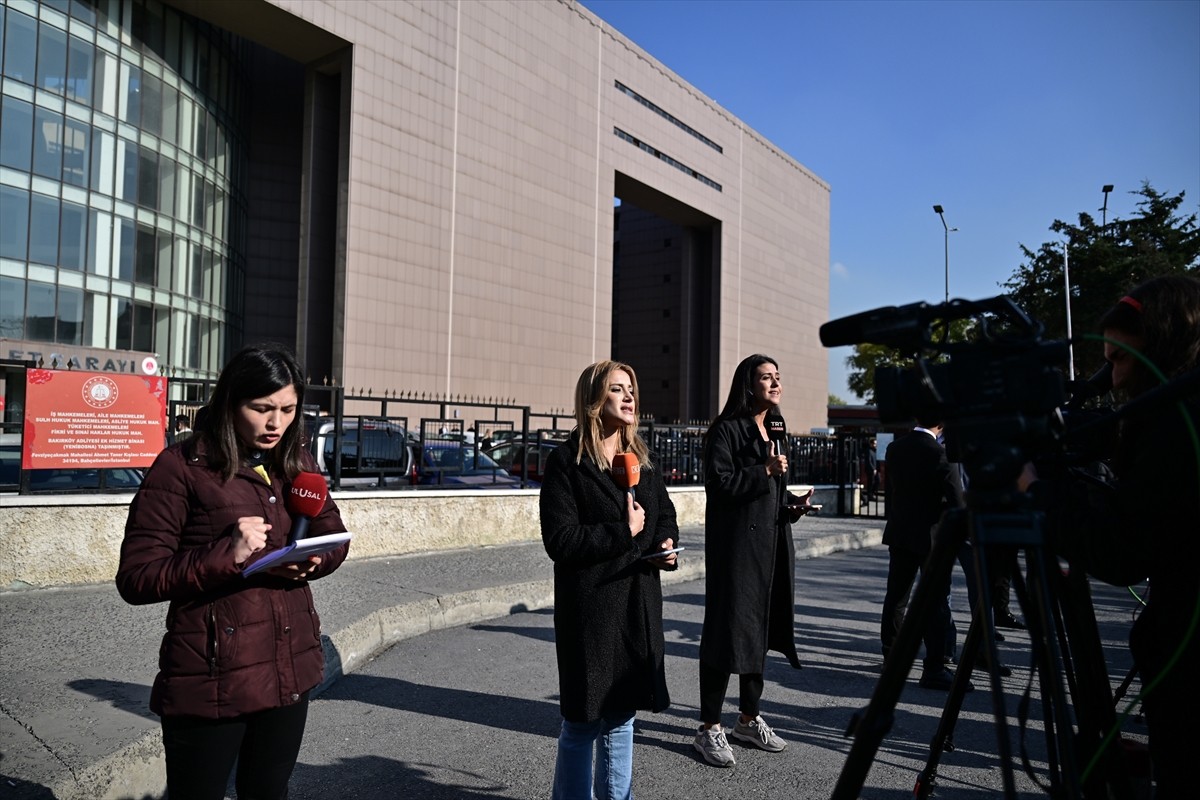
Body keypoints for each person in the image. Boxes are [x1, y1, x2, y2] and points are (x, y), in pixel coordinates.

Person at [116, 345, 350, 800]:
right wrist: (228, 553)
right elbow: (137, 577)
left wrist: (314, 561)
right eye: (261, 408)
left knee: (268, 791)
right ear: (230, 402)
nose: (275, 423)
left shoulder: (295, 460)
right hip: (211, 677)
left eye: (287, 409)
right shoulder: (182, 467)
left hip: (289, 668)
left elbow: (332, 533)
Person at [1020, 275, 1200, 798]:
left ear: (1162, 347)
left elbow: (1120, 554)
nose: (1113, 379)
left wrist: (1037, 491)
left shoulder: (1176, 423)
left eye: (1119, 361)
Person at [540, 360, 679, 800]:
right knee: (582, 723)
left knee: (621, 720)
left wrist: (666, 543)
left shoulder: (642, 460)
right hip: (591, 611)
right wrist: (623, 532)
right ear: (594, 400)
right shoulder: (566, 463)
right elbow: (560, 540)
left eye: (631, 389)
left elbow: (664, 515)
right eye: (617, 389)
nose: (629, 397)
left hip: (636, 607)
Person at [694, 354, 813, 768]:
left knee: (759, 631)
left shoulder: (776, 430)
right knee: (727, 633)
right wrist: (763, 470)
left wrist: (793, 506)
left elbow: (771, 492)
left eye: (778, 377)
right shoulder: (726, 431)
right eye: (766, 377)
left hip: (772, 546)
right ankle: (709, 726)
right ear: (749, 385)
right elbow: (720, 485)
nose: (775, 383)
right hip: (737, 552)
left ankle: (748, 718)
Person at [879, 419, 966, 691]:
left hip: (901, 531)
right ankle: (934, 667)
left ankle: (892, 657)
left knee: (897, 597)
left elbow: (892, 491)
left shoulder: (895, 448)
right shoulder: (941, 453)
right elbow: (957, 501)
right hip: (932, 536)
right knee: (935, 602)